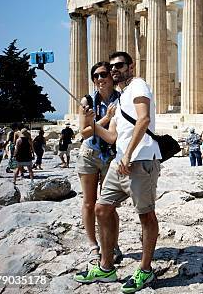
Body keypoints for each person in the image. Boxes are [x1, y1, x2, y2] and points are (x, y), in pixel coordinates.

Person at [75, 51, 161, 292]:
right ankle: (106, 267)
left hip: (141, 160)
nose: (114, 70)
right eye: (111, 67)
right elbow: (112, 136)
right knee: (102, 209)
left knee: (146, 216)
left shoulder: (139, 85)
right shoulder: (121, 97)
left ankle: (145, 270)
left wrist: (127, 154)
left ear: (131, 66)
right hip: (121, 163)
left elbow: (143, 120)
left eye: (119, 65)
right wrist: (93, 123)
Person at [76, 61, 122, 267]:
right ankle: (93, 244)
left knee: (108, 205)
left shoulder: (121, 99)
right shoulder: (87, 101)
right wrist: (104, 119)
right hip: (88, 154)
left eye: (103, 74)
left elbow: (113, 134)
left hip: (110, 155)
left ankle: (112, 245)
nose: (100, 79)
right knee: (89, 202)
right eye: (96, 76)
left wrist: (96, 123)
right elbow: (84, 132)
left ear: (111, 77)